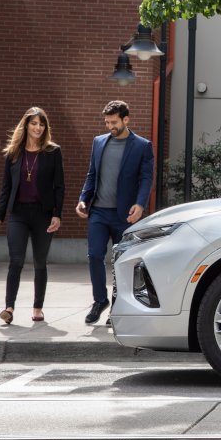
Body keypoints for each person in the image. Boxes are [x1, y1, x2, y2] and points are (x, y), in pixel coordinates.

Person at [76, 101, 154, 325]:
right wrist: (83, 199)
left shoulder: (142, 146)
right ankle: (100, 300)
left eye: (114, 122)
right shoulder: (99, 142)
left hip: (125, 215)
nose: (110, 126)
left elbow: (147, 178)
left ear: (126, 120)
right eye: (107, 122)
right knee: (94, 255)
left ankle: (118, 304)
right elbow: (92, 174)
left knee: (122, 262)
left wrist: (140, 204)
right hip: (99, 211)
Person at [0, 107, 65, 324]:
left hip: (43, 214)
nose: (38, 127)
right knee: (16, 261)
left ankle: (38, 308)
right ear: (26, 125)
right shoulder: (14, 152)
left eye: (41, 124)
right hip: (18, 214)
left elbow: (59, 186)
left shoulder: (53, 151)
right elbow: (6, 187)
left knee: (40, 262)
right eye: (34, 123)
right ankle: (9, 307)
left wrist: (57, 214)